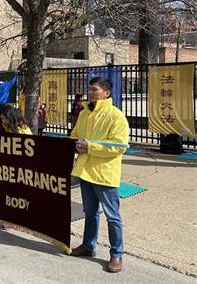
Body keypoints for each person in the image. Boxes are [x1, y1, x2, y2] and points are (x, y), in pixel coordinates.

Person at [69, 77, 129, 274]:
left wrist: (90, 147)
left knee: (112, 216)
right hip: (85, 172)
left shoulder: (116, 116)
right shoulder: (85, 113)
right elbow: (75, 135)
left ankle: (116, 254)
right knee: (90, 212)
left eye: (95, 90)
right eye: (90, 89)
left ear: (106, 93)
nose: (91, 93)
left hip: (104, 174)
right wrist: (75, 144)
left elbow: (118, 147)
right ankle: (88, 245)